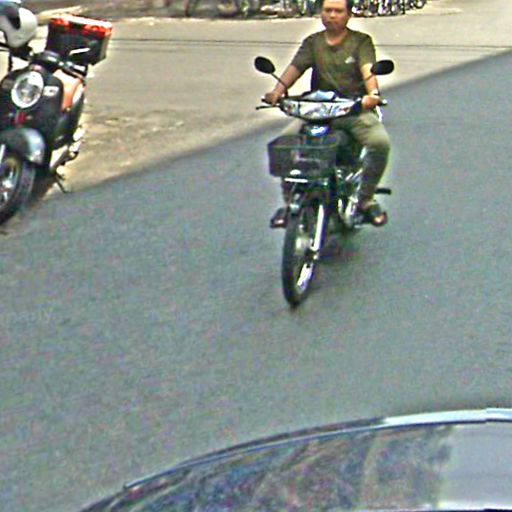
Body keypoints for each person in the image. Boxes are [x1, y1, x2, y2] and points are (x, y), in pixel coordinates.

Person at [264, 0, 391, 228]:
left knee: (379, 143)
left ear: (348, 14)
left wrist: (372, 94)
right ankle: (290, 202)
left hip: (351, 109)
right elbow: (295, 68)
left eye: (338, 11)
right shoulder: (313, 43)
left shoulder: (360, 42)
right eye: (328, 10)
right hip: (319, 110)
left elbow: (368, 70)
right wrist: (277, 92)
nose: (332, 15)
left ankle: (365, 199)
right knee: (286, 142)